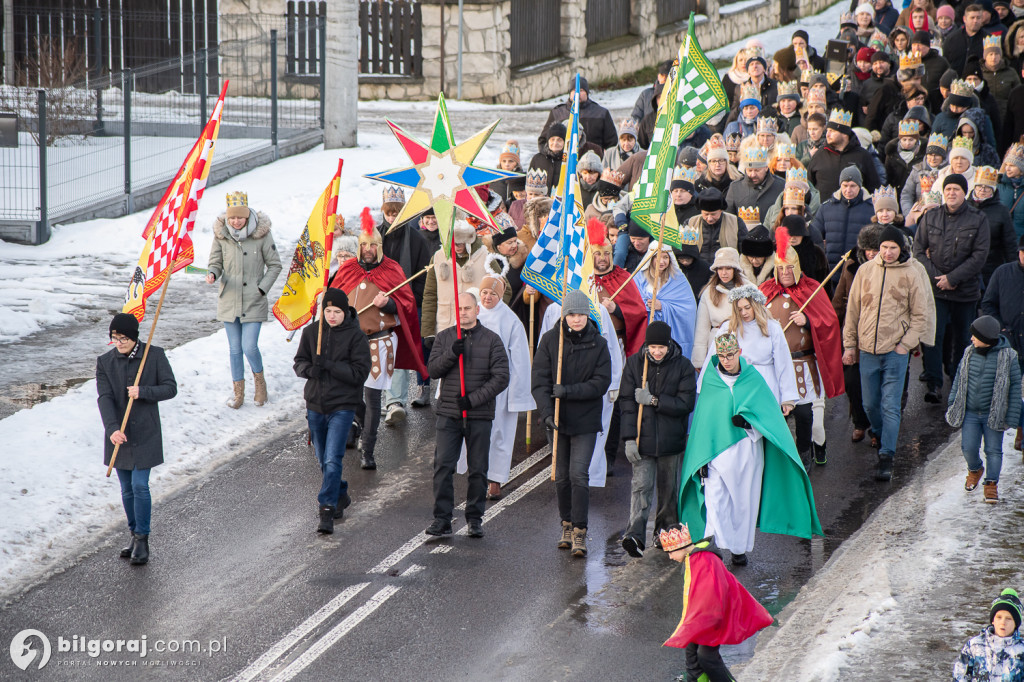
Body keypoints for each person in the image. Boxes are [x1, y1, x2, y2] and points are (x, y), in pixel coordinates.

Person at [680, 332, 822, 566]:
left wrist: (749, 424)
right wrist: (702, 461)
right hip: (716, 454)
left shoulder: (753, 378)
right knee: (715, 498)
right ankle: (711, 545)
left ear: (739, 353)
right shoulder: (711, 380)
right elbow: (703, 423)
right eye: (722, 355)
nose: (726, 360)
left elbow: (768, 417)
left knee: (743, 501)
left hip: (747, 452)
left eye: (730, 355)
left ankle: (738, 549)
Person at [330, 211, 427, 469]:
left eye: (373, 245)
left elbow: (407, 303)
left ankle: (369, 450)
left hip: (379, 343)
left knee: (372, 398)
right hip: (350, 344)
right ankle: (357, 429)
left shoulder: (392, 270)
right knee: (351, 395)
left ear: (380, 247)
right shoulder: (347, 270)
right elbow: (334, 304)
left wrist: (390, 302)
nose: (368, 249)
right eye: (364, 245)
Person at [845, 225, 932, 480]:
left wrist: (905, 344)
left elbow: (920, 314)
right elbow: (853, 311)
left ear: (902, 248)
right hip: (868, 351)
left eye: (893, 247)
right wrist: (849, 345)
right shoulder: (865, 271)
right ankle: (882, 434)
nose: (888, 252)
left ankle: (887, 456)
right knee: (870, 404)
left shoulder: (911, 274)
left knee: (890, 405)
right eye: (884, 247)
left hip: (895, 350)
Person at [532, 290, 613, 557]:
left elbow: (601, 383)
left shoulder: (598, 343)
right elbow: (540, 381)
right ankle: (565, 524)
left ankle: (580, 531)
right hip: (556, 420)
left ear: (587, 315)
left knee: (579, 475)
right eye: (571, 314)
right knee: (561, 476)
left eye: (580, 314)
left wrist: (568, 391)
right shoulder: (550, 340)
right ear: (564, 315)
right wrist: (545, 413)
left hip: (586, 421)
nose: (576, 320)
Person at [426, 292, 510, 538]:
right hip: (448, 413)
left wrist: (473, 400)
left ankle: (474, 518)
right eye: (459, 309)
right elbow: (432, 370)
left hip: (479, 414)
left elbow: (501, 377)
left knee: (477, 469)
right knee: (443, 466)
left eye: (467, 308)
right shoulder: (444, 338)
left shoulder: (492, 340)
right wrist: (452, 353)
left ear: (477, 310)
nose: (463, 312)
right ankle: (442, 519)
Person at [97, 313, 177, 565]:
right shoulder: (105, 362)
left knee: (140, 485)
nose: (118, 343)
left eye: (122, 338)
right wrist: (112, 429)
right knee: (126, 488)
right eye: (114, 338)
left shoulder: (154, 355)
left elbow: (170, 387)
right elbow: (105, 398)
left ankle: (143, 539)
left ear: (134, 337)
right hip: (118, 434)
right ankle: (133, 534)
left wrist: (143, 391)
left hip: (145, 432)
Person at [761, 228, 846, 467]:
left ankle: (805, 452)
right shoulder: (765, 291)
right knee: (777, 414)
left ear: (797, 267)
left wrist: (808, 321)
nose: (786, 273)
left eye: (789, 268)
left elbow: (829, 322)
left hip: (803, 364)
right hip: (775, 364)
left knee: (804, 414)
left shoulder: (812, 289)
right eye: (781, 268)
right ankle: (781, 458)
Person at [292, 289, 371, 534]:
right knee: (323, 459)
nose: (332, 316)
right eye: (327, 311)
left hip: (343, 405)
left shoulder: (356, 337)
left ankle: (326, 509)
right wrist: (309, 370)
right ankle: (340, 493)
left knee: (332, 457)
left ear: (345, 311)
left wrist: (330, 366)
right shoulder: (311, 332)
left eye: (337, 311)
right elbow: (299, 362)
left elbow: (359, 373)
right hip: (315, 404)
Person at [618, 322, 697, 557]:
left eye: (661, 347)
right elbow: (627, 405)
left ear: (669, 344)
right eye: (652, 346)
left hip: (670, 441)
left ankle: (665, 533)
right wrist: (629, 438)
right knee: (641, 487)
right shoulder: (634, 364)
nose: (657, 352)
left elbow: (686, 404)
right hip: (642, 440)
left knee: (668, 491)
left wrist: (653, 400)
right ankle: (635, 535)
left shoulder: (683, 367)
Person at [913, 173, 992, 404]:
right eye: (948, 189)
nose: (951, 193)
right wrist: (938, 278)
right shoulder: (931, 217)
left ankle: (959, 383)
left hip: (965, 292)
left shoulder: (978, 219)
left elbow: (980, 256)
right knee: (933, 338)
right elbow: (918, 251)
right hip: (936, 290)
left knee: (963, 340)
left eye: (956, 189)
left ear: (964, 192)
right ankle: (934, 384)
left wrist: (953, 277)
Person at [660, 523, 774, 682]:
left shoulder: (704, 560)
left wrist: (705, 622)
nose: (670, 557)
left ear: (680, 547)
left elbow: (714, 595)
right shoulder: (693, 558)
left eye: (670, 552)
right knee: (692, 655)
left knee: (707, 658)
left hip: (713, 617)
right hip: (703, 617)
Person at [455, 277, 535, 499]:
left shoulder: (510, 321)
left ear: (500, 296)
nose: (488, 297)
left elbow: (519, 360)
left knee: (499, 432)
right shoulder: (470, 314)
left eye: (493, 294)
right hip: (472, 383)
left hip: (499, 387)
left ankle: (495, 478)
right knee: (472, 430)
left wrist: (518, 393)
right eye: (484, 293)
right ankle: (475, 473)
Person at [205, 191, 282, 409]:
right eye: (232, 218)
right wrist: (212, 273)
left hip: (253, 300)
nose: (236, 221)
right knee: (235, 349)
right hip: (229, 299)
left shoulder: (262, 235)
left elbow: (275, 265)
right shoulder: (221, 236)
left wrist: (261, 289)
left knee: (249, 347)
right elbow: (215, 262)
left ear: (247, 216)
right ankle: (238, 393)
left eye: (240, 217)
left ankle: (260, 384)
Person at [946, 315, 1022, 501]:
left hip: (994, 414)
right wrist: (952, 401)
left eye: (975, 335)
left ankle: (991, 484)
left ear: (987, 339)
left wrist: (1012, 416)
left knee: (993, 450)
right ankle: (975, 469)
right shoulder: (969, 352)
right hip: (971, 412)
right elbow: (959, 378)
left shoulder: (1009, 357)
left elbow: (1014, 388)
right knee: (968, 447)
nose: (971, 338)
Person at [379, 186, 433, 422]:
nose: (392, 217)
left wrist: (414, 300)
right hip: (376, 303)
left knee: (396, 351)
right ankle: (380, 398)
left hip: (403, 304)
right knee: (377, 352)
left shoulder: (417, 239)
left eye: (397, 213)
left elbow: (422, 274)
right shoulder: (374, 236)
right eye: (389, 213)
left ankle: (395, 401)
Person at [981, 234, 1024, 451]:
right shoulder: (1003, 273)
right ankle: (1021, 425)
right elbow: (988, 304)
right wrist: (1001, 329)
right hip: (1010, 343)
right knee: (1009, 392)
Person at [634, 240, 697, 357]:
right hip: (645, 332)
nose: (661, 261)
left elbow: (688, 308)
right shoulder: (639, 278)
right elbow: (632, 303)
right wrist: (646, 305)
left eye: (665, 257)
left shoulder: (678, 279)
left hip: (670, 335)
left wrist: (663, 306)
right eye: (657, 257)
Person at [691, 247, 751, 366]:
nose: (724, 273)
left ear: (735, 269)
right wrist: (699, 359)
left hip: (744, 342)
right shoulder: (708, 292)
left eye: (728, 268)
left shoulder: (749, 289)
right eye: (720, 268)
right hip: (717, 344)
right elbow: (702, 329)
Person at [811, 165, 878, 270]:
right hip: (831, 268)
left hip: (858, 268)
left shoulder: (871, 209)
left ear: (859, 186)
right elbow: (815, 235)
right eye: (845, 185)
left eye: (852, 186)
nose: (848, 190)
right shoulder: (826, 207)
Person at [807, 109, 881, 199]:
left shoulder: (862, 156)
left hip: (855, 210)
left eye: (832, 131)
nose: (827, 134)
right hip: (824, 211)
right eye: (828, 130)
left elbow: (873, 187)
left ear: (844, 134)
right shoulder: (819, 155)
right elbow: (810, 186)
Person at [953, 588, 1024, 681]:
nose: (1003, 622)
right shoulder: (975, 646)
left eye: (1009, 619)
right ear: (993, 620)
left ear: (1016, 623)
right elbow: (959, 675)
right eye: (999, 617)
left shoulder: (1021, 650)